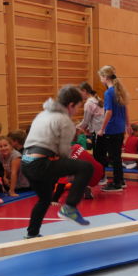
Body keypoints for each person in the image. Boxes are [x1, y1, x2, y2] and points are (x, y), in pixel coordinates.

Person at [21, 85, 94, 239]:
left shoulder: (42, 114)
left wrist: (66, 169)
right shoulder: (64, 120)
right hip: (40, 163)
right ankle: (70, 207)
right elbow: (63, 152)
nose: (76, 112)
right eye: (77, 108)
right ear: (71, 105)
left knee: (45, 199)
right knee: (86, 167)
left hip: (26, 163)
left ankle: (32, 234)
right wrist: (72, 172)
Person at [97, 65, 129, 192]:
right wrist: (128, 124)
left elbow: (108, 112)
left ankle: (116, 183)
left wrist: (102, 129)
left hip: (112, 128)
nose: (100, 80)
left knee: (113, 156)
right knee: (117, 155)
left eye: (100, 77)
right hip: (120, 127)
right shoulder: (118, 90)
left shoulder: (109, 92)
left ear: (105, 77)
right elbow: (125, 108)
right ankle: (120, 180)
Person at [77, 81, 104, 152]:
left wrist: (76, 129)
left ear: (84, 91)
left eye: (80, 93)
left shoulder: (89, 103)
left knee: (98, 155)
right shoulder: (96, 99)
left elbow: (85, 122)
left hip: (98, 133)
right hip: (103, 132)